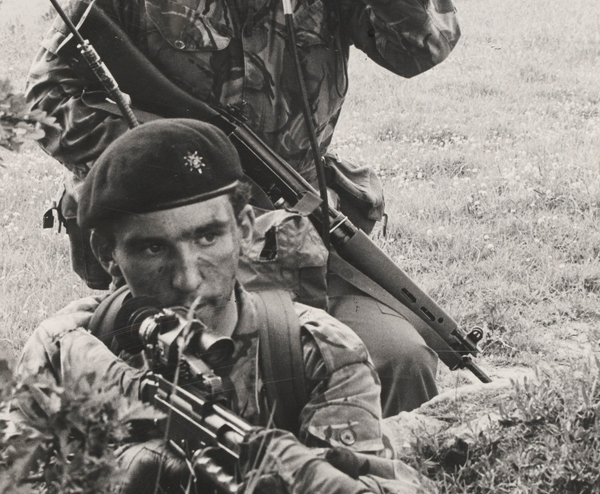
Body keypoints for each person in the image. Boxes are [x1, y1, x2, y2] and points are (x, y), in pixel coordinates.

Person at [26, 0, 460, 415]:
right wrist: (154, 168)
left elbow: (423, 43)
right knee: (226, 381)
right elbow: (51, 91)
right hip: (182, 248)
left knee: (401, 357)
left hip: (303, 236)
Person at [15, 119, 434, 494]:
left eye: (206, 238)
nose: (187, 279)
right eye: (153, 248)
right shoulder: (68, 347)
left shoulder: (317, 353)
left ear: (246, 230)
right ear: (107, 254)